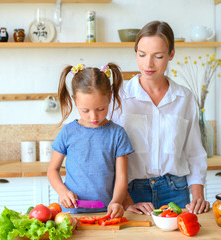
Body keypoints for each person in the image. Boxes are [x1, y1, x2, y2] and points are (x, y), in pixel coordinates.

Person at [113, 21, 210, 215]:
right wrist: (124, 199)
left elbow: (194, 152)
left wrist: (198, 195)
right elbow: (109, 152)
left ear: (171, 55)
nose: (148, 64)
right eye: (141, 55)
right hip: (131, 191)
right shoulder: (119, 97)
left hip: (176, 191)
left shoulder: (184, 98)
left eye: (158, 56)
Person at [47, 63, 135, 218]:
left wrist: (116, 201)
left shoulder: (117, 134)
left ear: (109, 98)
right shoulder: (68, 132)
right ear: (75, 101)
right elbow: (52, 170)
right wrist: (62, 191)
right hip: (71, 213)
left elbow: (121, 177)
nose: (93, 117)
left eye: (100, 109)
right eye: (85, 111)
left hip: (106, 213)